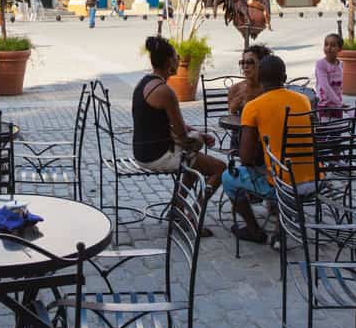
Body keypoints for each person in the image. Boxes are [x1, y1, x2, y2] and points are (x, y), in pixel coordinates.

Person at [133, 36, 225, 231]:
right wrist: (199, 139)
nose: (179, 60)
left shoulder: (144, 83)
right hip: (156, 155)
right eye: (176, 57)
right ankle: (192, 217)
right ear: (169, 62)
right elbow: (182, 136)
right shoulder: (165, 91)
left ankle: (178, 208)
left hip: (142, 151)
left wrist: (197, 132)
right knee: (219, 168)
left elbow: (170, 124)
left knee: (194, 158)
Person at [224, 55, 314, 243]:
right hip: (313, 182)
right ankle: (281, 224)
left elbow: (246, 158)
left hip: (283, 186)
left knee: (228, 177)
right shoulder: (304, 100)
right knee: (277, 166)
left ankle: (254, 230)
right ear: (285, 77)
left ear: (261, 79)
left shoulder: (253, 107)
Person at [227, 44, 273, 115]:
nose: (245, 66)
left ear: (262, 63)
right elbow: (230, 117)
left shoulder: (270, 88)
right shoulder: (235, 89)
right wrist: (233, 109)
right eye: (242, 62)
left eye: (250, 62)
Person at [315, 33, 345, 118]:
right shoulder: (321, 64)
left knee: (338, 129)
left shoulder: (340, 64)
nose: (328, 47)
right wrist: (339, 103)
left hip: (337, 106)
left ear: (340, 49)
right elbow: (325, 86)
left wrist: (339, 102)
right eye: (326, 44)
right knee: (326, 129)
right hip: (324, 105)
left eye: (333, 45)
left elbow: (340, 87)